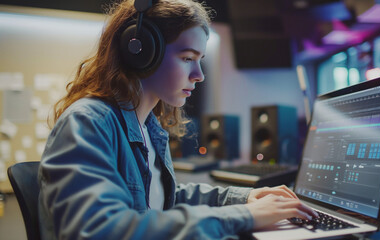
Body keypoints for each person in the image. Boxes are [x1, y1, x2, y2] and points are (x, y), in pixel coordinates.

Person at [38, 0, 318, 239]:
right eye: (187, 58)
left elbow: (164, 199)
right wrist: (242, 215)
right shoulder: (88, 123)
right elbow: (101, 230)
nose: (199, 75)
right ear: (141, 52)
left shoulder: (148, 126)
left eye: (200, 60)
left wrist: (244, 199)